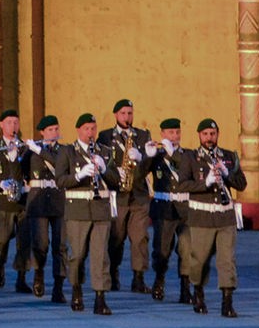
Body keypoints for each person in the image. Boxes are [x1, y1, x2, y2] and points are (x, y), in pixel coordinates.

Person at [176, 118, 245, 317]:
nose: (209, 138)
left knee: (227, 260)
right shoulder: (190, 158)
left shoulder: (229, 156)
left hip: (225, 217)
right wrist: (204, 183)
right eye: (205, 134)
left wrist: (227, 173)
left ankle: (227, 301)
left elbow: (241, 184)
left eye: (212, 134)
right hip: (202, 217)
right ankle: (198, 293)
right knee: (199, 260)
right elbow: (181, 185)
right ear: (199, 135)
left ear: (217, 135)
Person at [57, 112, 118, 315]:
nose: (90, 133)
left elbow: (116, 181)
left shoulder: (105, 152)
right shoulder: (67, 151)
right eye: (86, 129)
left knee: (101, 256)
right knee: (78, 255)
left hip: (101, 209)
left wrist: (103, 168)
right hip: (78, 210)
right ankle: (76, 289)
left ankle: (100, 298)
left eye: (93, 128)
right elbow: (60, 181)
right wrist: (79, 174)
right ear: (78, 130)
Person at [97, 98, 153, 293]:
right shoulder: (105, 137)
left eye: (130, 113)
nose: (127, 117)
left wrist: (144, 157)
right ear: (116, 115)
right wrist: (114, 171)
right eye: (123, 113)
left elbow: (149, 165)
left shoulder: (143, 135)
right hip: (117, 195)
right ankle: (113, 272)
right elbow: (101, 161)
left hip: (138, 194)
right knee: (116, 237)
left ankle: (139, 277)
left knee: (140, 238)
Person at [20, 115, 68, 302]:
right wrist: (19, 154)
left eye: (56, 129)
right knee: (41, 244)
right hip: (38, 202)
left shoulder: (64, 150)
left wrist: (39, 150)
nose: (54, 133)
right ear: (42, 132)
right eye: (50, 130)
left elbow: (61, 165)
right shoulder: (30, 152)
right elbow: (21, 170)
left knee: (60, 246)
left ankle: (58, 286)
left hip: (58, 201)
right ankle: (38, 272)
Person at [145, 118, 192, 305]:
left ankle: (185, 287)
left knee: (187, 248)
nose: (174, 136)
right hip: (164, 209)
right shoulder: (156, 156)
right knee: (162, 250)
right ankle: (159, 278)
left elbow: (188, 173)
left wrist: (173, 155)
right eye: (170, 133)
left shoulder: (188, 155)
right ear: (162, 134)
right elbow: (140, 176)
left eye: (177, 132)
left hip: (184, 208)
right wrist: (146, 157)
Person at [0, 109, 30, 289]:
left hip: (22, 200)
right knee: (1, 239)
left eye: (16, 122)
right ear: (1, 125)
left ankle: (21, 277)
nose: (13, 126)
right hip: (4, 201)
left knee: (24, 240)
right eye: (9, 122)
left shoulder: (25, 148)